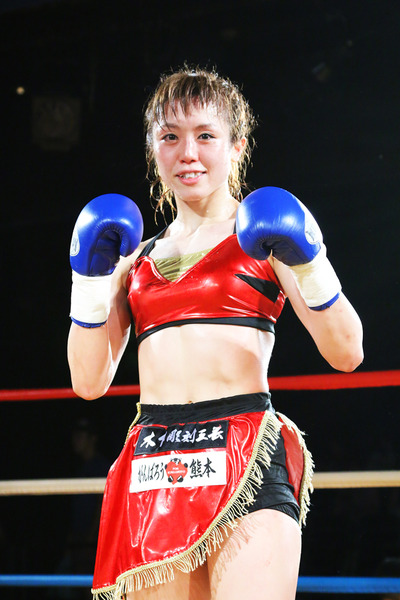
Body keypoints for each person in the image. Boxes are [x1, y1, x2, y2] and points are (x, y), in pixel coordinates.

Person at [67, 66, 363, 600]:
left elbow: (348, 352)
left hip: (244, 451)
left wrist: (310, 261)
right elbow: (88, 382)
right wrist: (88, 281)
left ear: (236, 146)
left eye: (205, 135)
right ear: (153, 148)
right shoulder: (133, 259)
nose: (188, 153)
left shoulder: (264, 240)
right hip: (155, 460)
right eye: (171, 137)